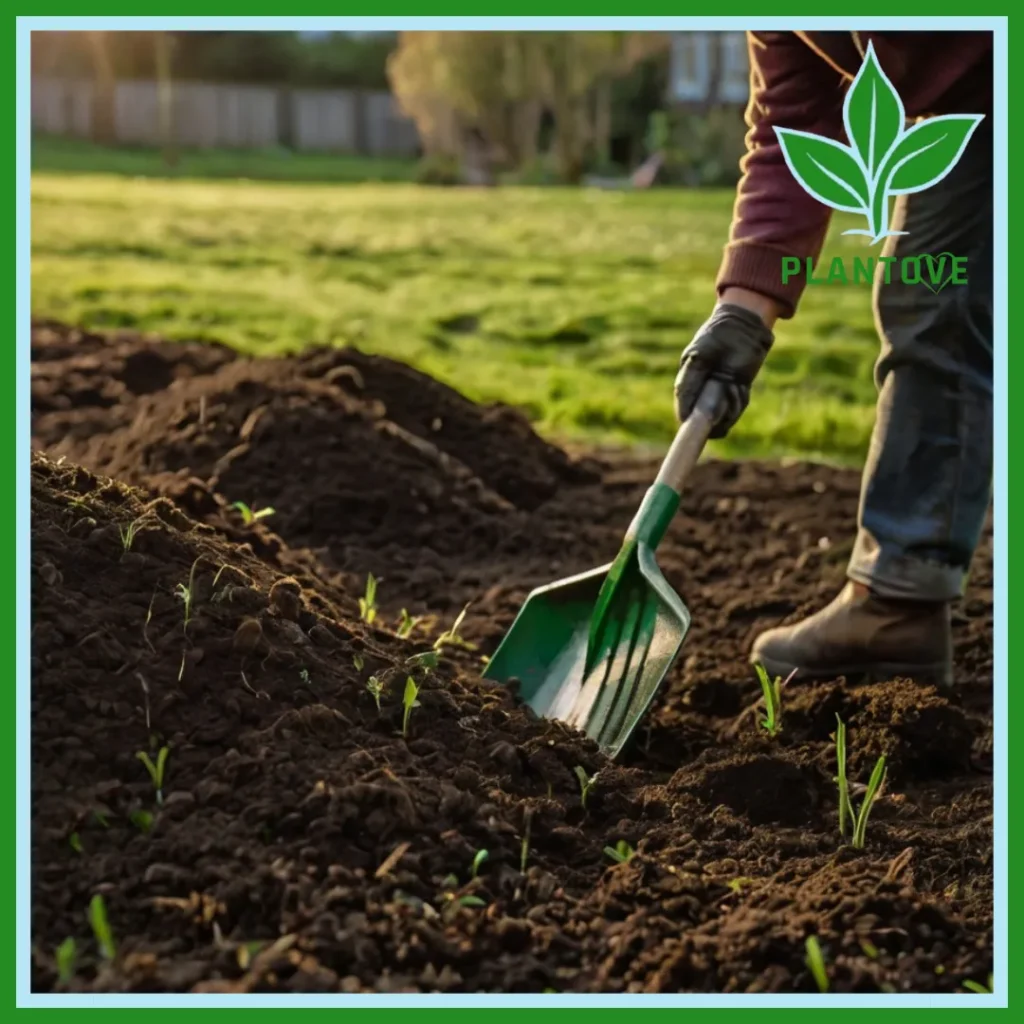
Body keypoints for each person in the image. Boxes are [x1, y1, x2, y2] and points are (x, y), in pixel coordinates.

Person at [673, 32, 993, 689]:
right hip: (972, 108)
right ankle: (899, 601)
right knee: (931, 296)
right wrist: (740, 316)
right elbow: (792, 129)